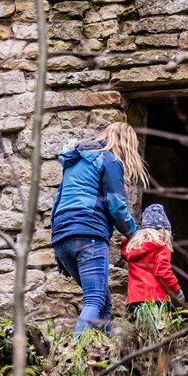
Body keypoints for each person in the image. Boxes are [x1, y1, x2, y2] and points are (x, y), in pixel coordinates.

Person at [48, 121, 145, 334]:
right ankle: (73, 354)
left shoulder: (75, 163)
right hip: (88, 233)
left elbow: (57, 203)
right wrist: (133, 233)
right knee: (94, 299)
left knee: (104, 303)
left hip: (62, 238)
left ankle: (105, 353)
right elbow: (116, 205)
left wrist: (58, 250)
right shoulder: (110, 160)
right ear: (127, 144)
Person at [123, 202, 182, 316]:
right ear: (164, 231)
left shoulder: (132, 247)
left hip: (133, 301)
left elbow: (124, 250)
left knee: (138, 333)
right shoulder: (161, 246)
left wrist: (132, 238)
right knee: (159, 332)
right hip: (156, 300)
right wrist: (176, 291)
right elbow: (163, 271)